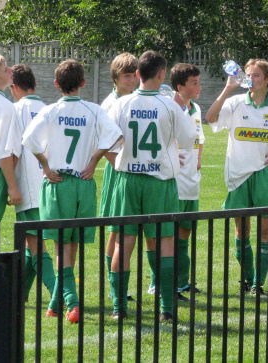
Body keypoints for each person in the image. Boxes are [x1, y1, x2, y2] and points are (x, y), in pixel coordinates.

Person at [22, 59, 123, 324]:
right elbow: (116, 135)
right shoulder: (94, 110)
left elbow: (28, 140)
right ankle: (56, 303)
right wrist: (94, 160)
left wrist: (44, 164)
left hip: (58, 183)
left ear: (56, 84)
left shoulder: (51, 110)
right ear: (83, 83)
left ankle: (71, 302)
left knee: (60, 246)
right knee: (72, 244)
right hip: (84, 182)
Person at [205, 58, 268, 295]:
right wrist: (228, 88)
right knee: (242, 231)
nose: (250, 80)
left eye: (256, 76)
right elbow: (210, 118)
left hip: (265, 173)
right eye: (248, 75)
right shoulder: (235, 102)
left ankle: (258, 284)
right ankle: (247, 278)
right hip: (238, 175)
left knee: (265, 230)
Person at [106, 50, 196, 321]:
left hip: (129, 179)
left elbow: (106, 143)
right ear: (161, 74)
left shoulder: (120, 104)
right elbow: (189, 140)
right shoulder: (170, 105)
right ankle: (167, 309)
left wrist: (122, 163)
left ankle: (119, 308)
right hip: (160, 181)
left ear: (137, 74)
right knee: (164, 242)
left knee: (123, 243)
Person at [9, 64, 56, 301]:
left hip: (28, 187)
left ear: (13, 87)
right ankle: (20, 293)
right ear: (35, 85)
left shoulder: (14, 110)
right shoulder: (48, 109)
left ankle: (61, 295)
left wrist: (11, 185)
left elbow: (12, 150)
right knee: (31, 242)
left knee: (36, 244)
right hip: (49, 184)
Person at [99, 52, 139, 303]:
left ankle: (118, 285)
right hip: (119, 173)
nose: (132, 81)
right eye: (126, 77)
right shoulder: (110, 104)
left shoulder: (135, 100)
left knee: (122, 231)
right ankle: (115, 287)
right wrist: (123, 167)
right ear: (115, 77)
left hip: (131, 169)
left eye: (134, 76)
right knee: (116, 230)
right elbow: (104, 147)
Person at [0, 54, 23, 305]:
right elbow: (3, 150)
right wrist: (12, 186)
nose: (10, 71)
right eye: (5, 68)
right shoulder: (4, 106)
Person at [169, 63, 205, 301]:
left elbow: (199, 137)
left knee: (185, 234)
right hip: (175, 182)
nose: (199, 87)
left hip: (192, 182)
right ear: (180, 87)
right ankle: (162, 284)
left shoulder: (196, 108)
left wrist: (198, 158)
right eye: (194, 83)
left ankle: (182, 282)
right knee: (168, 236)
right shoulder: (170, 108)